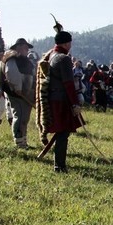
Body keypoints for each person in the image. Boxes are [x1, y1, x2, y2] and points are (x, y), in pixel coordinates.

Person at [35, 23, 82, 172]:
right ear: (67, 43)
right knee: (63, 133)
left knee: (61, 132)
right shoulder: (63, 59)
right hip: (61, 100)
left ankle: (59, 164)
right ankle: (59, 166)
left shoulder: (51, 55)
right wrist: (75, 104)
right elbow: (68, 83)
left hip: (53, 98)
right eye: (70, 43)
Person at [0, 38, 36, 149]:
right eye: (25, 47)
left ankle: (23, 140)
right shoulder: (12, 60)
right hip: (17, 94)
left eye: (27, 48)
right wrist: (17, 88)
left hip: (26, 93)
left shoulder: (25, 60)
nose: (27, 49)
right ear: (18, 48)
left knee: (24, 118)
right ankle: (19, 142)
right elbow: (11, 73)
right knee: (19, 117)